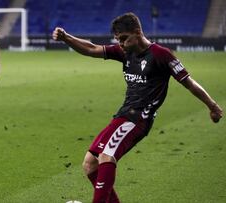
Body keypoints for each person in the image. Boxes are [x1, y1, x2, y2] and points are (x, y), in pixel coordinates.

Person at [52, 12, 223, 203]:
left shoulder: (161, 55)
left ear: (137, 31)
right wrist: (67, 38)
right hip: (122, 116)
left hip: (139, 119)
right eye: (118, 40)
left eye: (124, 38)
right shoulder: (124, 52)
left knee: (107, 156)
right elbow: (92, 49)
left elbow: (189, 82)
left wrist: (213, 106)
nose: (122, 44)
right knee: (90, 164)